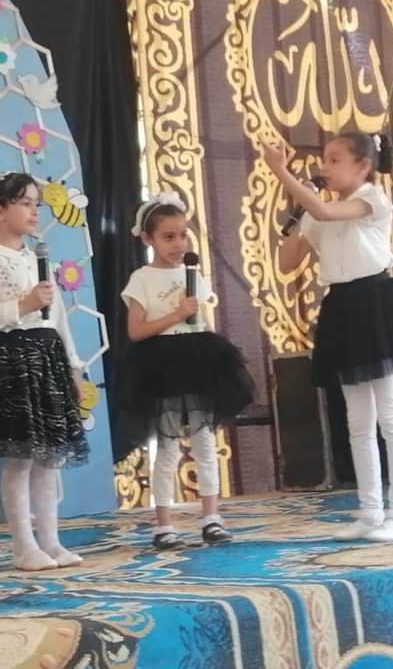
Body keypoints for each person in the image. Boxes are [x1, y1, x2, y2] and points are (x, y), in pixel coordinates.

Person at [267, 130, 393, 543]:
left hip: (376, 303)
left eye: (335, 160)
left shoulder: (372, 198)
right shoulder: (318, 210)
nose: (325, 167)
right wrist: (295, 216)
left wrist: (282, 173)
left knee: (391, 416)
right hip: (342, 307)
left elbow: (324, 210)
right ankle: (371, 512)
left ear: (363, 165)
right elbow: (287, 262)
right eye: (324, 159)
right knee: (358, 421)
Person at [113, 193, 256, 550]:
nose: (178, 244)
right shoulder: (141, 279)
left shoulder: (193, 275)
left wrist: (197, 328)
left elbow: (200, 320)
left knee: (206, 443)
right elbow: (136, 331)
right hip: (162, 364)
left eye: (182, 235)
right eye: (168, 237)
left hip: (197, 361)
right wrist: (176, 315)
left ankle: (212, 518)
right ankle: (164, 524)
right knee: (168, 446)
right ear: (148, 238)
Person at [0, 171, 89, 571]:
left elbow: (58, 317)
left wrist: (73, 366)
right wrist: (23, 304)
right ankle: (24, 546)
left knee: (49, 457)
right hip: (11, 359)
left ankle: (50, 541)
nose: (34, 211)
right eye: (24, 203)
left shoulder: (36, 258)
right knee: (20, 457)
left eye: (36, 204)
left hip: (45, 356)